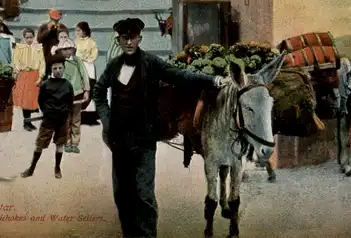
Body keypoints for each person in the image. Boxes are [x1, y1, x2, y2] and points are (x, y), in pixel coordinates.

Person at [92, 18, 226, 238]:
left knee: (144, 194)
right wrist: (107, 121)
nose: (129, 42)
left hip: (144, 139)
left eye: (132, 38)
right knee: (122, 194)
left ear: (139, 39)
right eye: (124, 38)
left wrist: (212, 81)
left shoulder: (152, 63)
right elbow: (98, 92)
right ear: (119, 40)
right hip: (119, 140)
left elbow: (182, 76)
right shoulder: (114, 65)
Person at [21, 53, 73, 179]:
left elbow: (70, 101)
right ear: (51, 70)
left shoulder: (67, 85)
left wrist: (64, 113)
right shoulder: (45, 84)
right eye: (55, 68)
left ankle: (57, 167)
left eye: (60, 68)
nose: (58, 71)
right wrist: (48, 112)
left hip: (62, 120)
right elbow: (41, 101)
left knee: (60, 144)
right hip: (48, 119)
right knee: (40, 144)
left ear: (64, 68)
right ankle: (31, 168)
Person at [52, 39, 90, 154]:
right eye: (64, 49)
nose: (67, 51)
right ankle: (67, 142)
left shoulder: (77, 61)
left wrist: (86, 90)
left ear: (73, 50)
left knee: (76, 120)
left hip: (77, 93)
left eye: (69, 49)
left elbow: (84, 75)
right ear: (60, 51)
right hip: (64, 95)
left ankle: (75, 143)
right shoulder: (59, 63)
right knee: (65, 120)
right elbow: (54, 78)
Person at [12, 28, 45, 131]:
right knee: (25, 100)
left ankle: (41, 121)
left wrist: (40, 76)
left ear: (34, 37)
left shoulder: (38, 49)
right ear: (24, 38)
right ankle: (26, 123)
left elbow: (42, 62)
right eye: (27, 37)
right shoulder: (20, 48)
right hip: (24, 75)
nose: (29, 39)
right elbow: (16, 61)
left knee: (35, 99)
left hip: (34, 74)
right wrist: (17, 72)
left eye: (31, 37)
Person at [75, 21, 99, 123]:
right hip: (78, 66)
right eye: (76, 30)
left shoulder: (91, 42)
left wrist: (86, 58)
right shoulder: (76, 41)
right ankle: (77, 111)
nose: (77, 32)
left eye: (79, 30)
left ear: (84, 31)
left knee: (90, 87)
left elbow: (94, 55)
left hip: (88, 66)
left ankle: (92, 112)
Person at [37, 8, 69, 74]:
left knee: (59, 74)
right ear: (50, 18)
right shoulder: (44, 27)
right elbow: (39, 40)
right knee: (45, 75)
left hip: (59, 56)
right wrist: (48, 30)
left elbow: (65, 40)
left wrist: (59, 30)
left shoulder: (63, 27)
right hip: (46, 56)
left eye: (57, 20)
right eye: (53, 19)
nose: (55, 21)